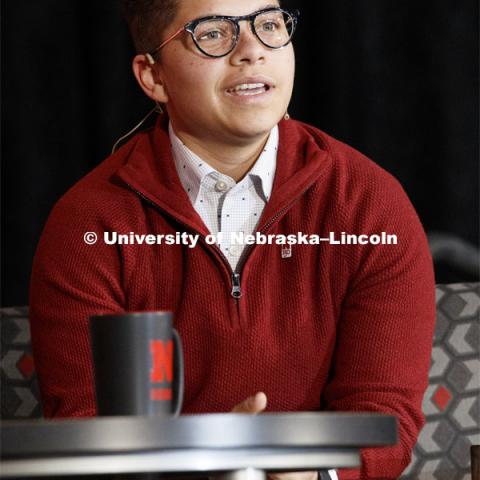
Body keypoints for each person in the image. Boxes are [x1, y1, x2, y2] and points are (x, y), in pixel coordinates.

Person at [29, 1, 436, 479]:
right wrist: (204, 464)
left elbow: (383, 414)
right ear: (152, 76)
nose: (252, 51)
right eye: (213, 33)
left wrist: (308, 473)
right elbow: (85, 424)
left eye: (268, 25)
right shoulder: (90, 222)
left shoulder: (369, 204)